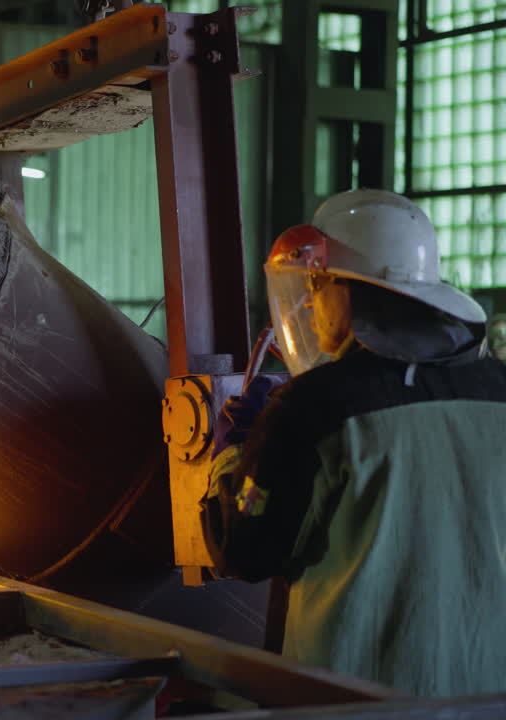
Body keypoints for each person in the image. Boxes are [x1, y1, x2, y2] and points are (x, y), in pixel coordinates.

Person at [202, 189, 506, 696]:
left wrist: (232, 456)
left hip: (356, 697)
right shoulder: (499, 388)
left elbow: (245, 552)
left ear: (346, 290)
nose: (309, 306)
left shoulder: (317, 406)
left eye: (317, 289)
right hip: (485, 692)